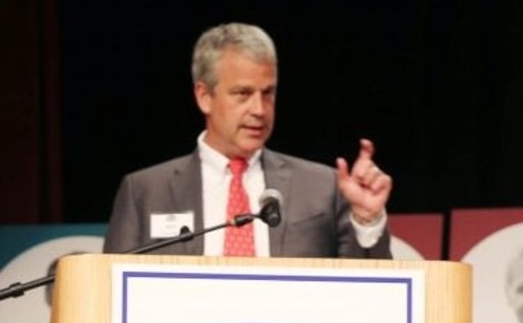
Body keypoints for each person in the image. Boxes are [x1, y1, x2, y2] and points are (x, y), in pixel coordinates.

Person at [102, 22, 392, 259]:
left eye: (268, 93)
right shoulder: (145, 192)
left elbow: (369, 293)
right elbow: (110, 294)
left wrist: (368, 219)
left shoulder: (322, 188)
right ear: (204, 96)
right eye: (242, 93)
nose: (259, 110)